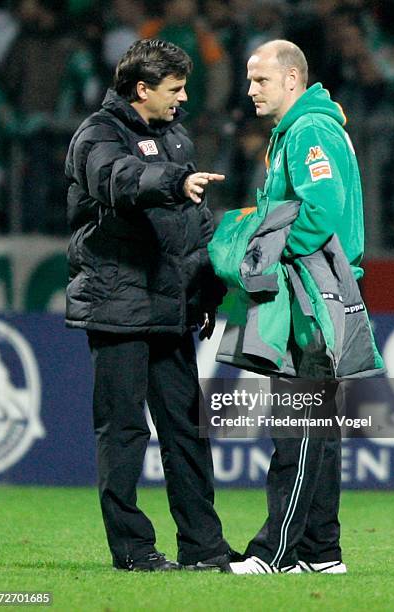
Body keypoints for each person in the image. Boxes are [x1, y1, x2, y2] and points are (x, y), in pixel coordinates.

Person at [65, 39, 236, 572]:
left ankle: (203, 547)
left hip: (169, 306)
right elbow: (118, 180)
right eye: (175, 89)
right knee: (123, 430)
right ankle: (134, 549)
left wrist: (207, 289)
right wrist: (174, 180)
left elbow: (195, 224)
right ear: (142, 89)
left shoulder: (174, 137)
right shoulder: (96, 135)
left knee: (185, 429)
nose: (183, 98)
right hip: (119, 304)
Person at [225, 39, 369, 574]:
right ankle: (321, 552)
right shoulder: (305, 129)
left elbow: (322, 211)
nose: (250, 90)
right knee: (319, 428)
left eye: (260, 80)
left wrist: (267, 251)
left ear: (291, 80)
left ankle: (275, 552)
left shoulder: (310, 131)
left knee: (299, 424)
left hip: (313, 288)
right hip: (323, 286)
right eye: (248, 79)